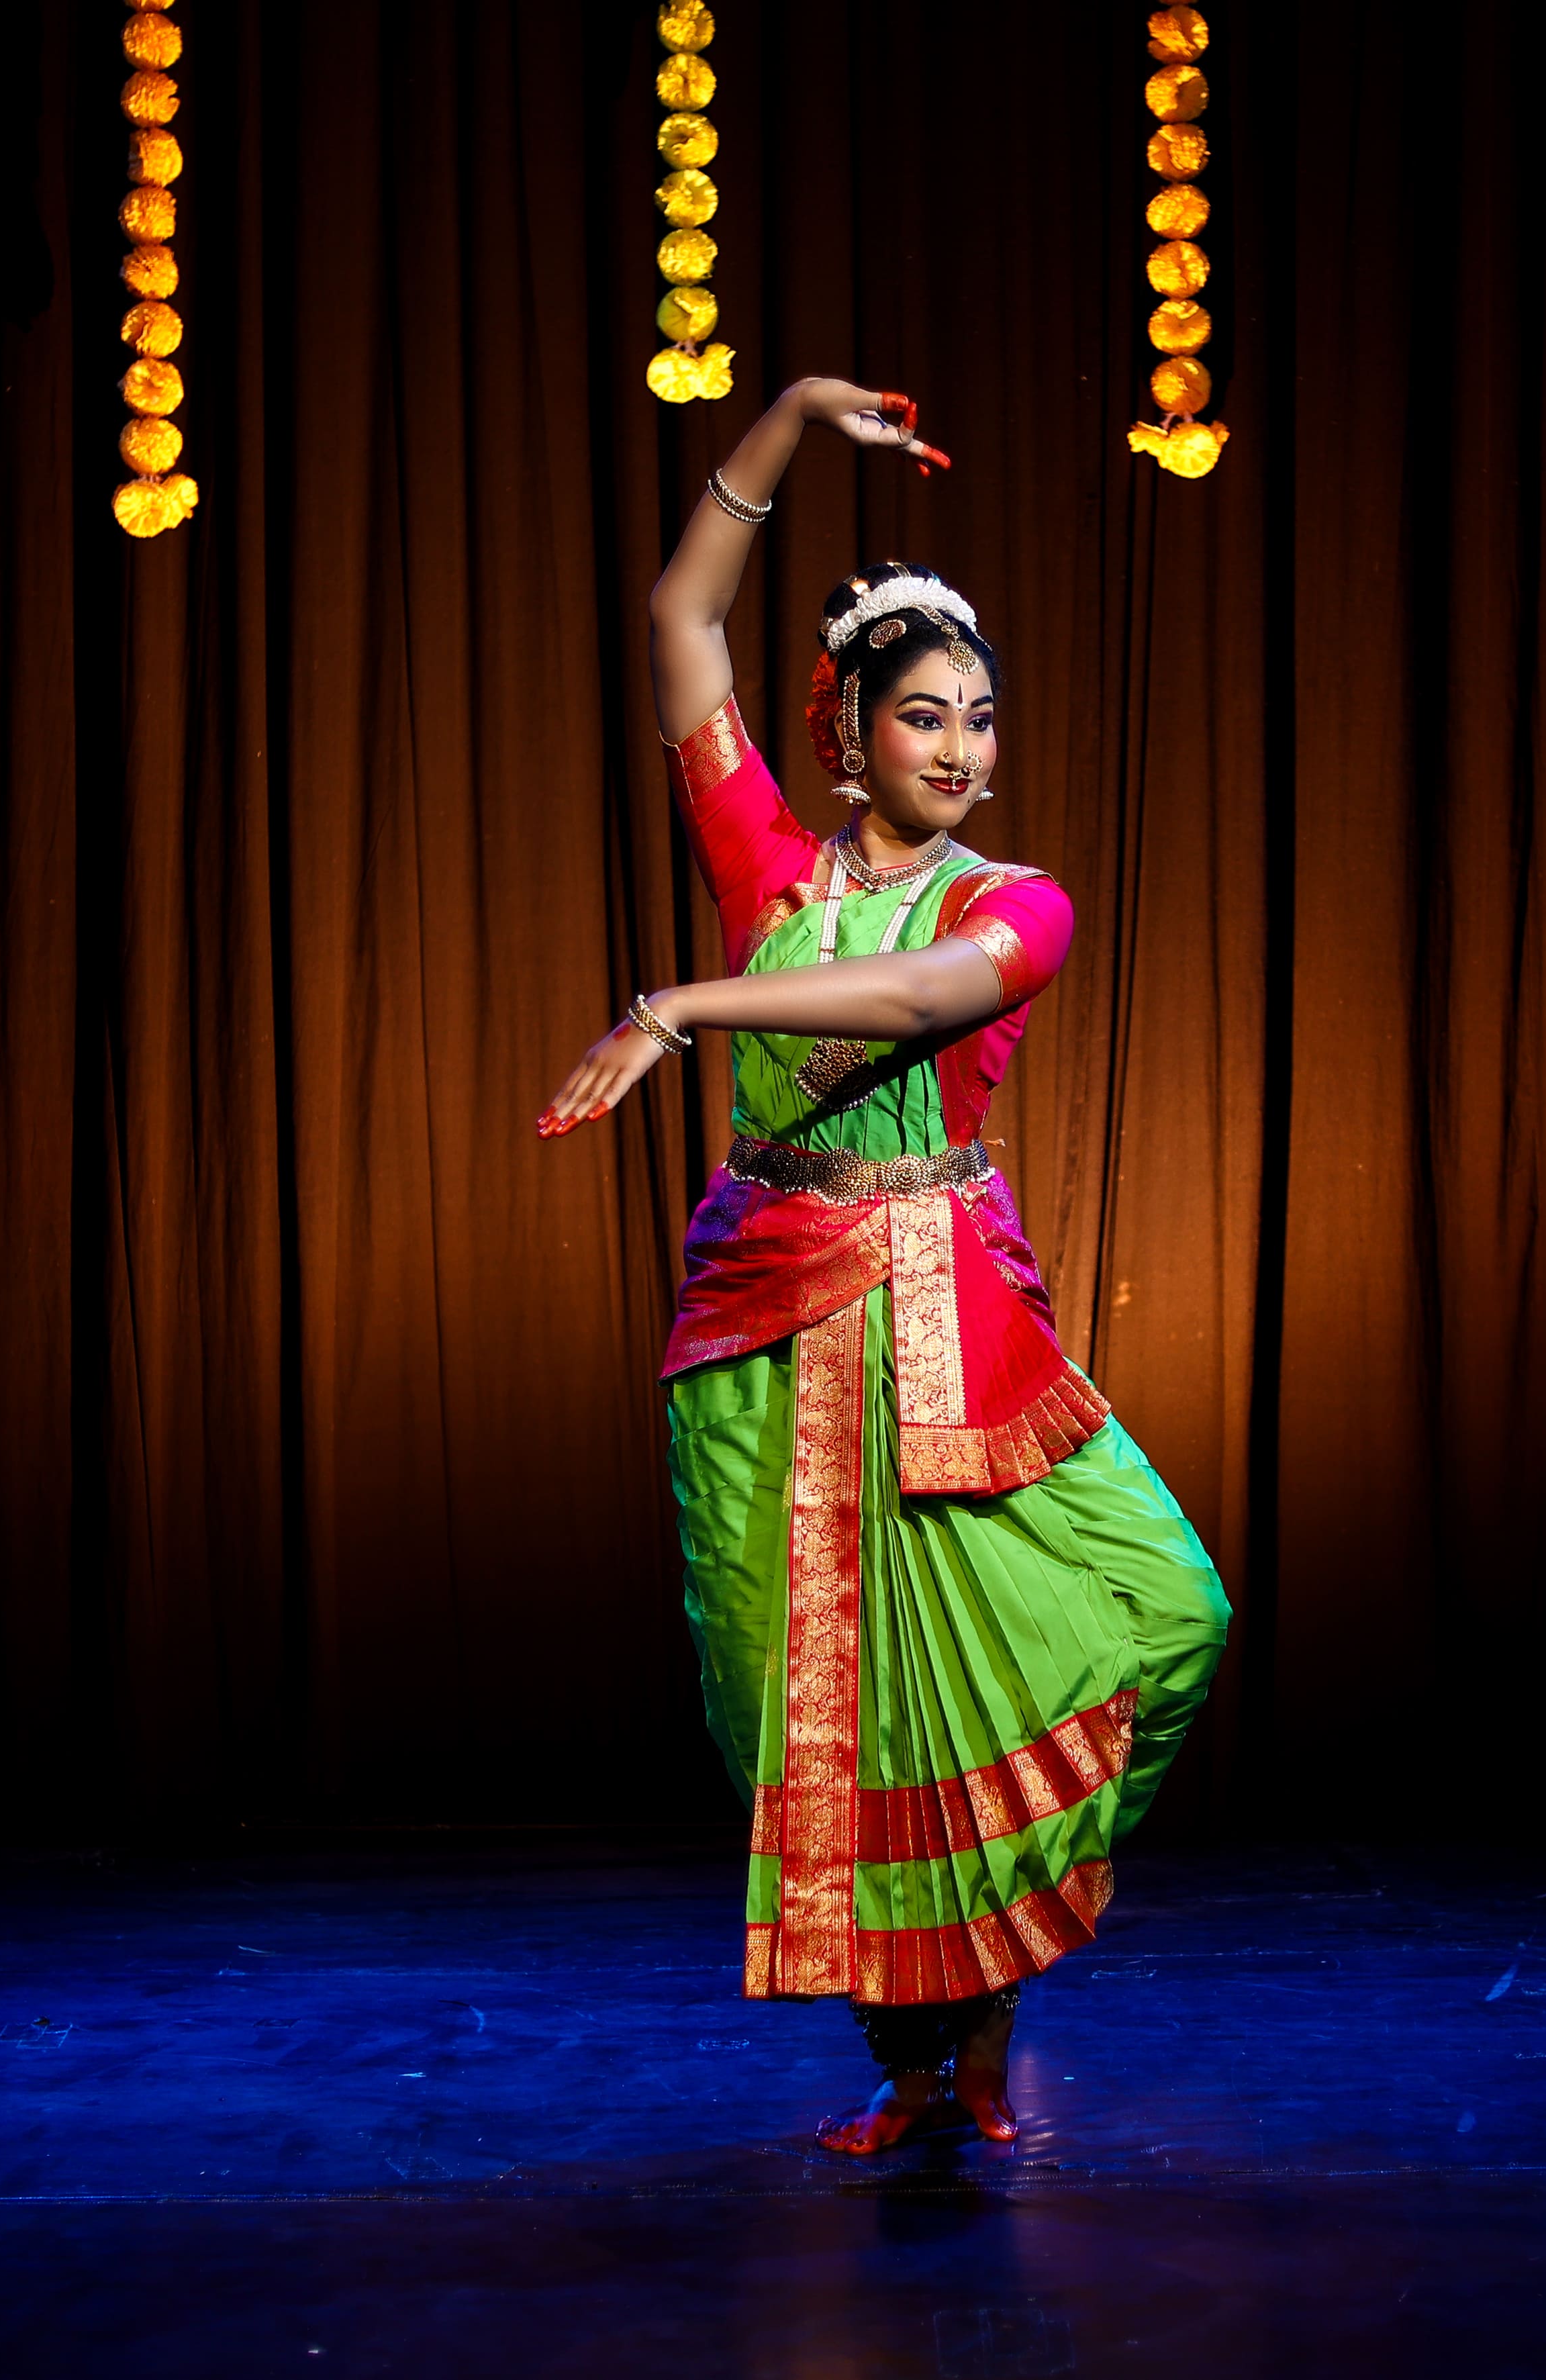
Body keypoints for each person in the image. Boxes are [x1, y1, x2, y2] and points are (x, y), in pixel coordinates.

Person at [538, 377, 1232, 2154]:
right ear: (844, 732)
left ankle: (993, 2007)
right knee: (806, 1713)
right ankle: (916, 2067)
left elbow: (922, 1003)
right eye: (924, 716)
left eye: (981, 720)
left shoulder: (1020, 902)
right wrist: (779, 422)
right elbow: (684, 614)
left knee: (1146, 1619)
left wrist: (686, 1001)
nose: (961, 748)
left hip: (945, 1318)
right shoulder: (769, 868)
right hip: (761, 1321)